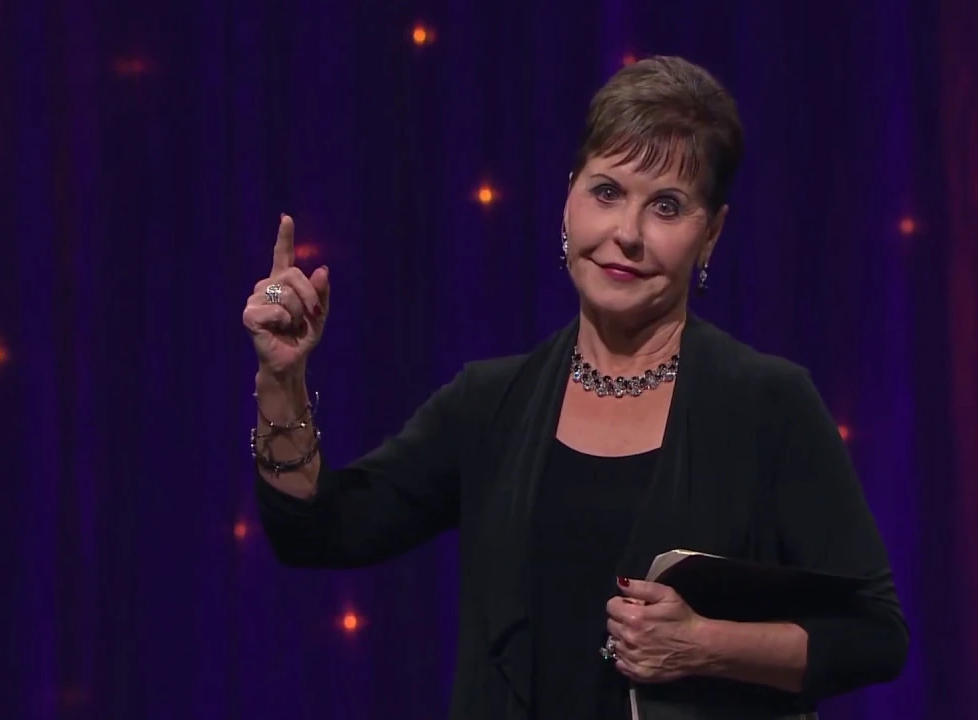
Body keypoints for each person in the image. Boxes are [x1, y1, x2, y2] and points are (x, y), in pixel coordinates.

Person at [244, 55, 908, 720]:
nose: (627, 235)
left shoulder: (769, 405)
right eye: (607, 192)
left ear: (711, 234)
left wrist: (705, 645)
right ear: (568, 200)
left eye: (667, 207)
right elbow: (319, 532)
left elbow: (873, 635)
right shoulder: (490, 404)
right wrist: (282, 378)